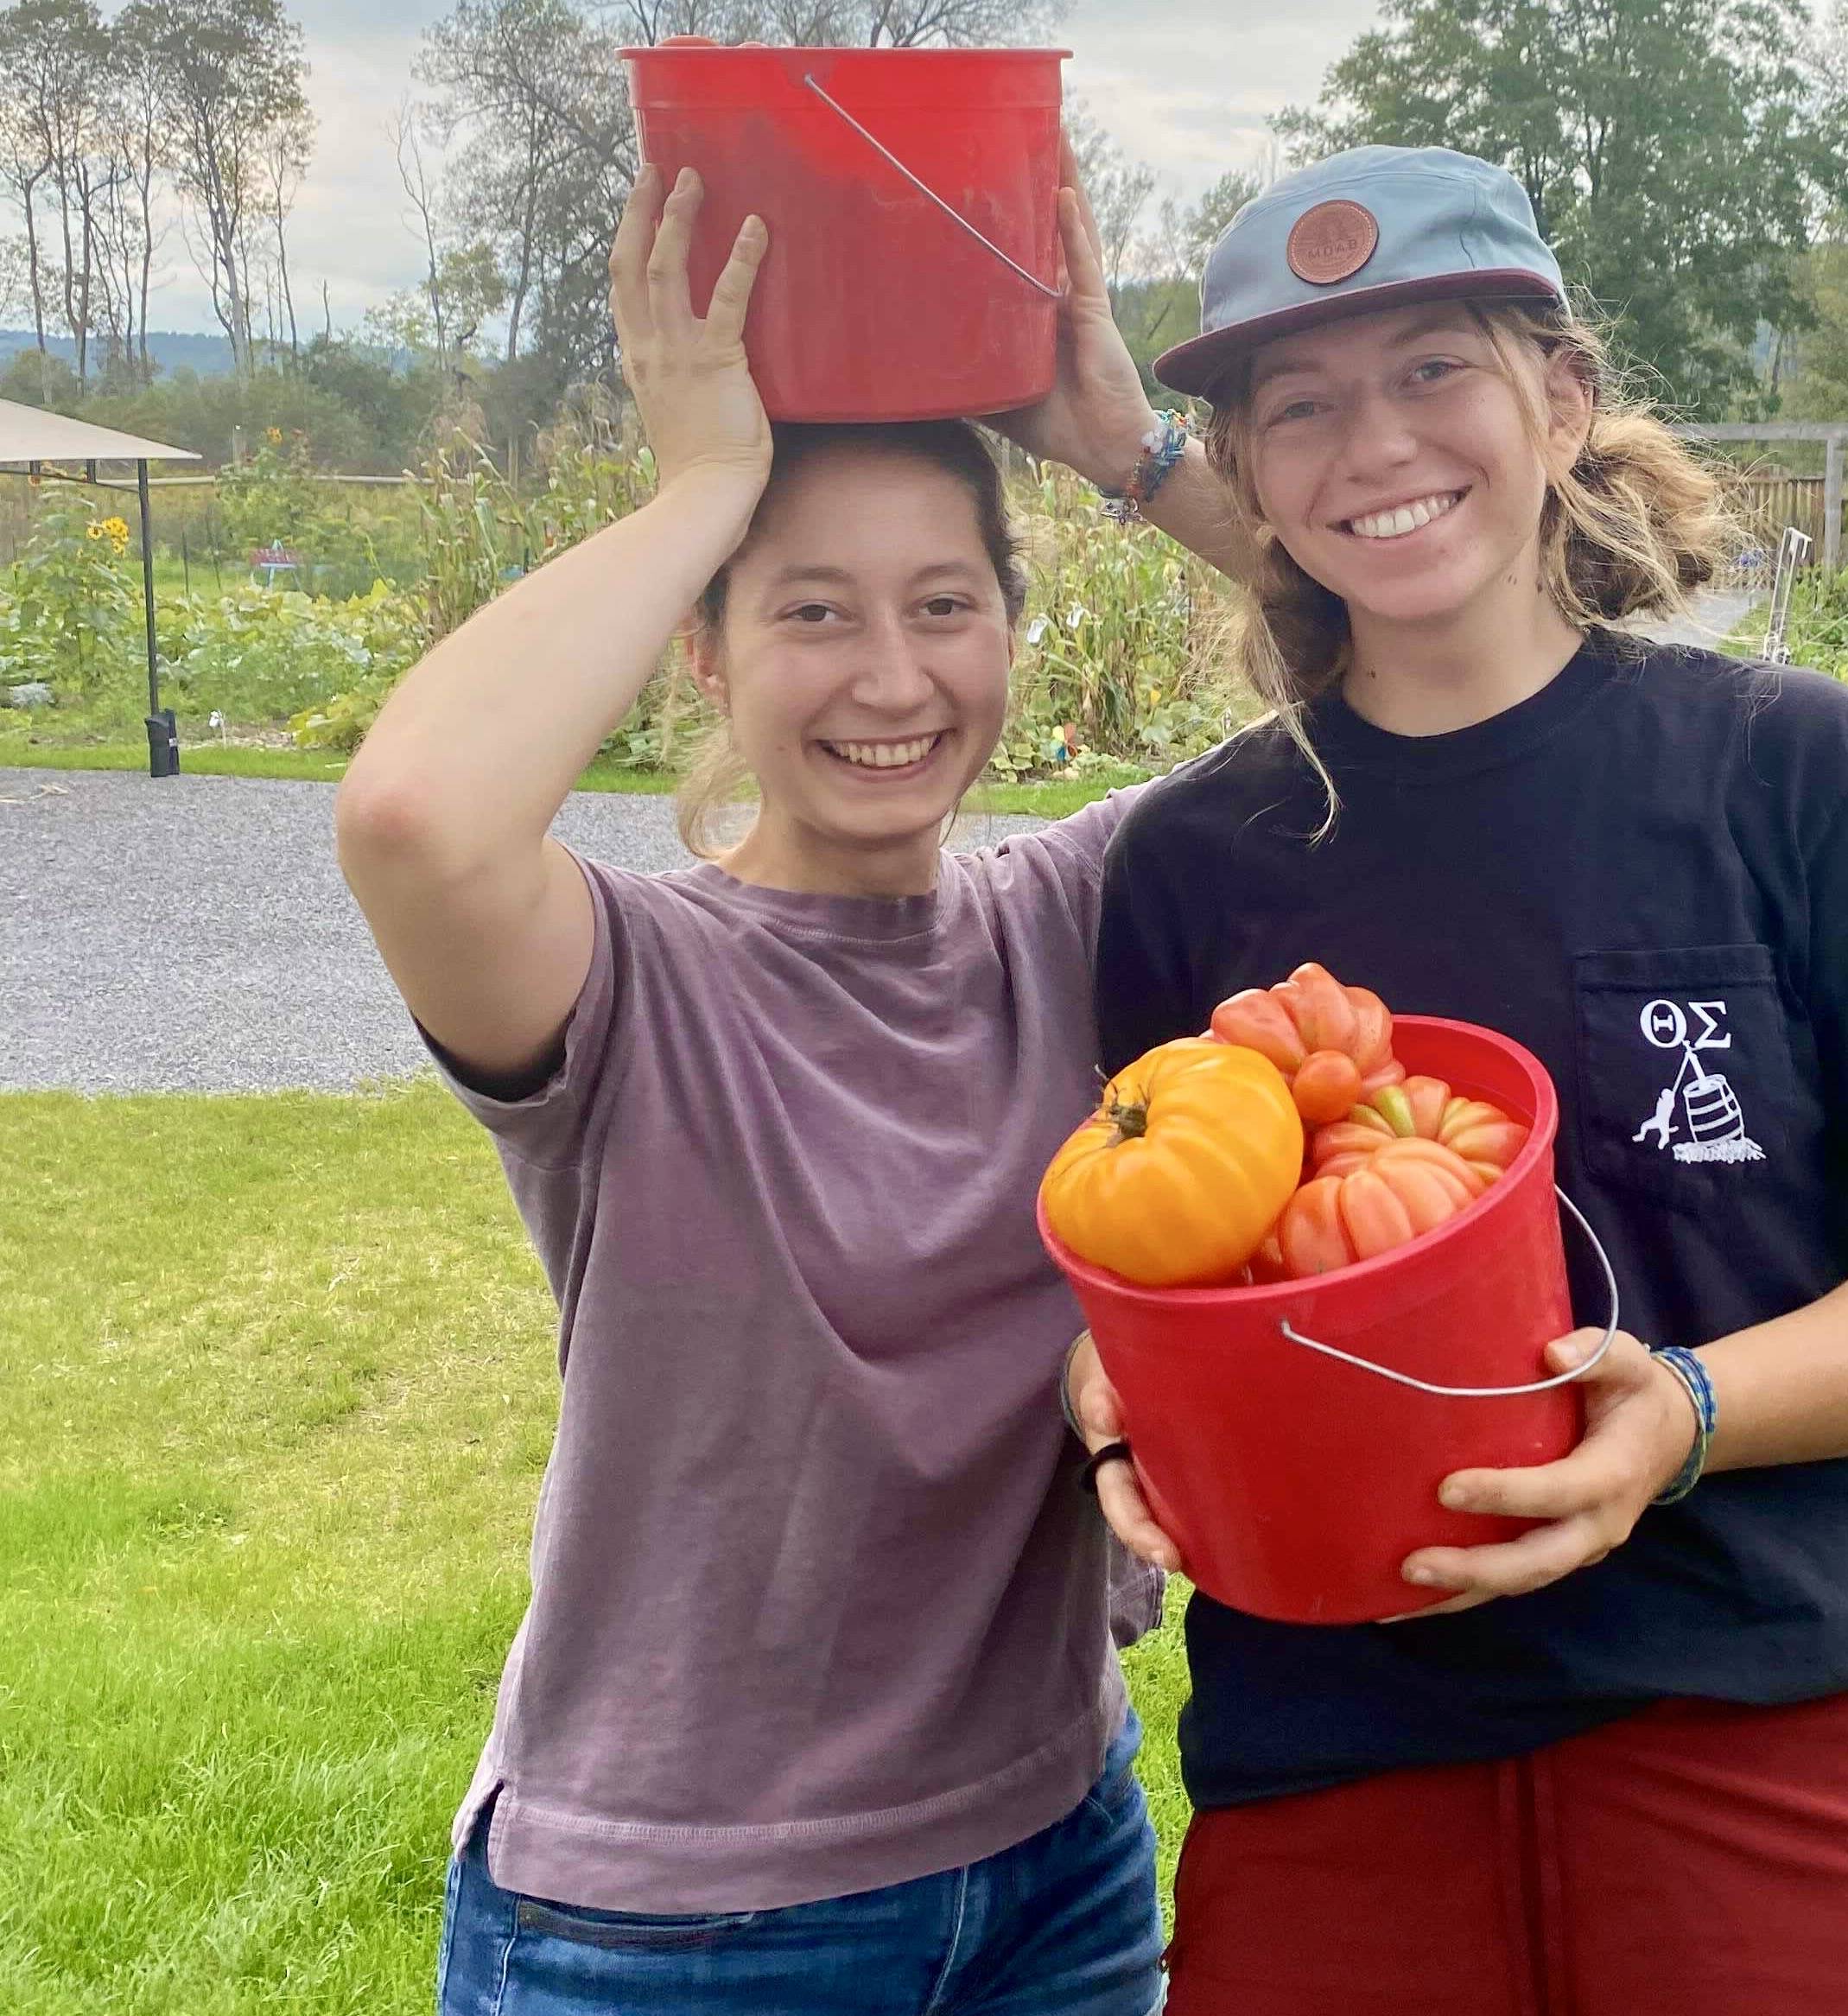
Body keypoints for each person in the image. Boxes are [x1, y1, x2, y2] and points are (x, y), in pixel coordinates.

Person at [1070, 144, 1848, 2015]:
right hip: (1340, 1765)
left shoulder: (1799, 778)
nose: (1371, 446)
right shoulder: (1201, 862)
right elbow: (1169, 1275)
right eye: (1297, 406)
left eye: (1432, 371)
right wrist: (1117, 1405)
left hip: (1767, 1720)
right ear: (1244, 474)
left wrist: (1687, 1412)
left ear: (1557, 398)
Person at [337, 158, 1237, 2016]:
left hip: (1057, 1864)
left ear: (1008, 627)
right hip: (667, 1923)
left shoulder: (1073, 914)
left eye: (944, 606)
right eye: (811, 614)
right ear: (708, 649)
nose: (891, 677)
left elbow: (1412, 647)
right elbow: (416, 817)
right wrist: (704, 485)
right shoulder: (628, 984)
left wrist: (1124, 446)